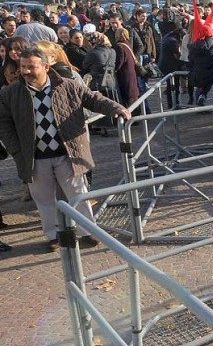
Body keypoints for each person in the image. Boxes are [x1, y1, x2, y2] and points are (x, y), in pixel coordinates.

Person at [0, 46, 131, 252]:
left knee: (78, 193)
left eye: (31, 67)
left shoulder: (67, 85)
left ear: (45, 66)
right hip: (34, 156)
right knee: (43, 199)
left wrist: (116, 108)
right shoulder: (10, 93)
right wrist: (16, 150)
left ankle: (88, 231)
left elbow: (93, 98)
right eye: (23, 66)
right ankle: (54, 236)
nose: (25, 71)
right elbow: (4, 124)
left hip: (67, 152)